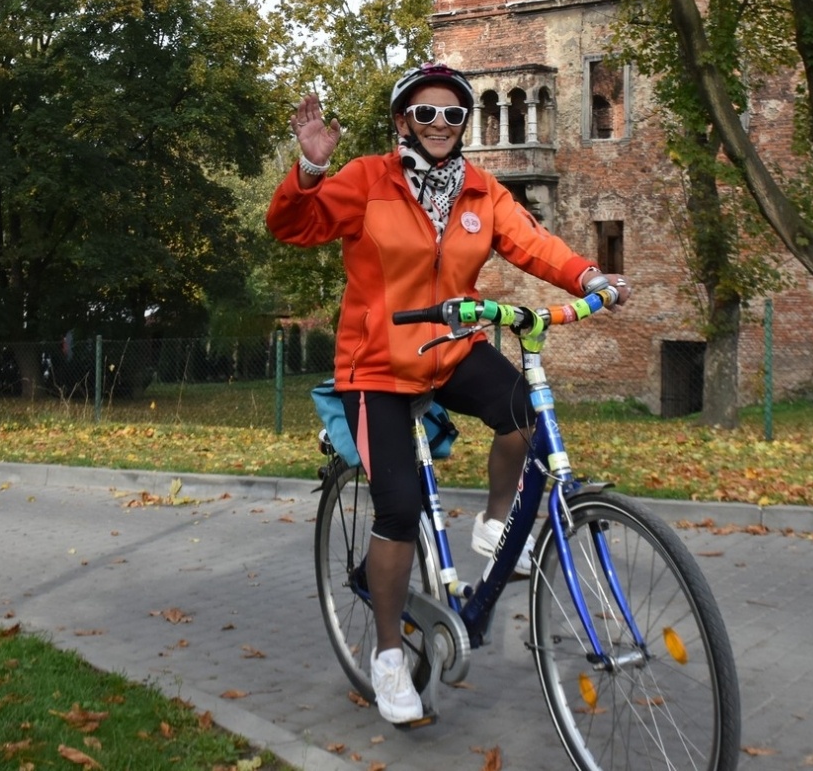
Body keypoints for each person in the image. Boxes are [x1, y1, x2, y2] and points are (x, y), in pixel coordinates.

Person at [266, 63, 629, 724]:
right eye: (425, 112)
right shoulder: (366, 181)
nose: (440, 124)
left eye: (453, 113)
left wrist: (588, 273)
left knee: (524, 411)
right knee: (398, 508)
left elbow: (533, 244)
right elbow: (292, 225)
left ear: (465, 124)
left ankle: (494, 522)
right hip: (376, 363)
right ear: (403, 119)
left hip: (450, 346)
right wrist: (310, 170)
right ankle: (385, 657)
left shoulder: (480, 191)